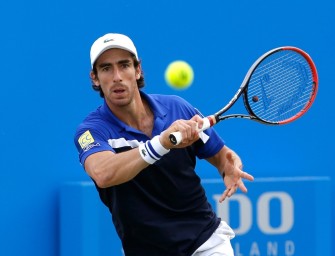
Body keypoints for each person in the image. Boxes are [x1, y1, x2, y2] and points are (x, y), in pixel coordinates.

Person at [74, 33, 254, 256]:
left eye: (124, 65)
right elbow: (103, 173)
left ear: (137, 70)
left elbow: (222, 156)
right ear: (95, 78)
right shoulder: (92, 131)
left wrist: (230, 166)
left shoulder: (178, 108)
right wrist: (162, 143)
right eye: (106, 69)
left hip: (205, 242)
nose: (117, 76)